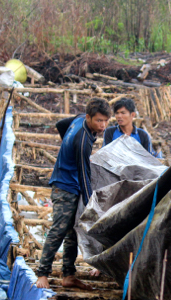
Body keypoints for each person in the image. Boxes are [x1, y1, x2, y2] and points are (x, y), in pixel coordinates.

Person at [35, 98, 113, 290]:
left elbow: (61, 124)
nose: (103, 125)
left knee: (72, 232)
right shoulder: (83, 141)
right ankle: (42, 273)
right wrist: (90, 204)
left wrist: (65, 148)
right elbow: (84, 174)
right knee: (60, 229)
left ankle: (68, 274)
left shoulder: (78, 119)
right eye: (98, 121)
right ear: (89, 117)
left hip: (70, 181)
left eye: (105, 121)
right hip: (65, 185)